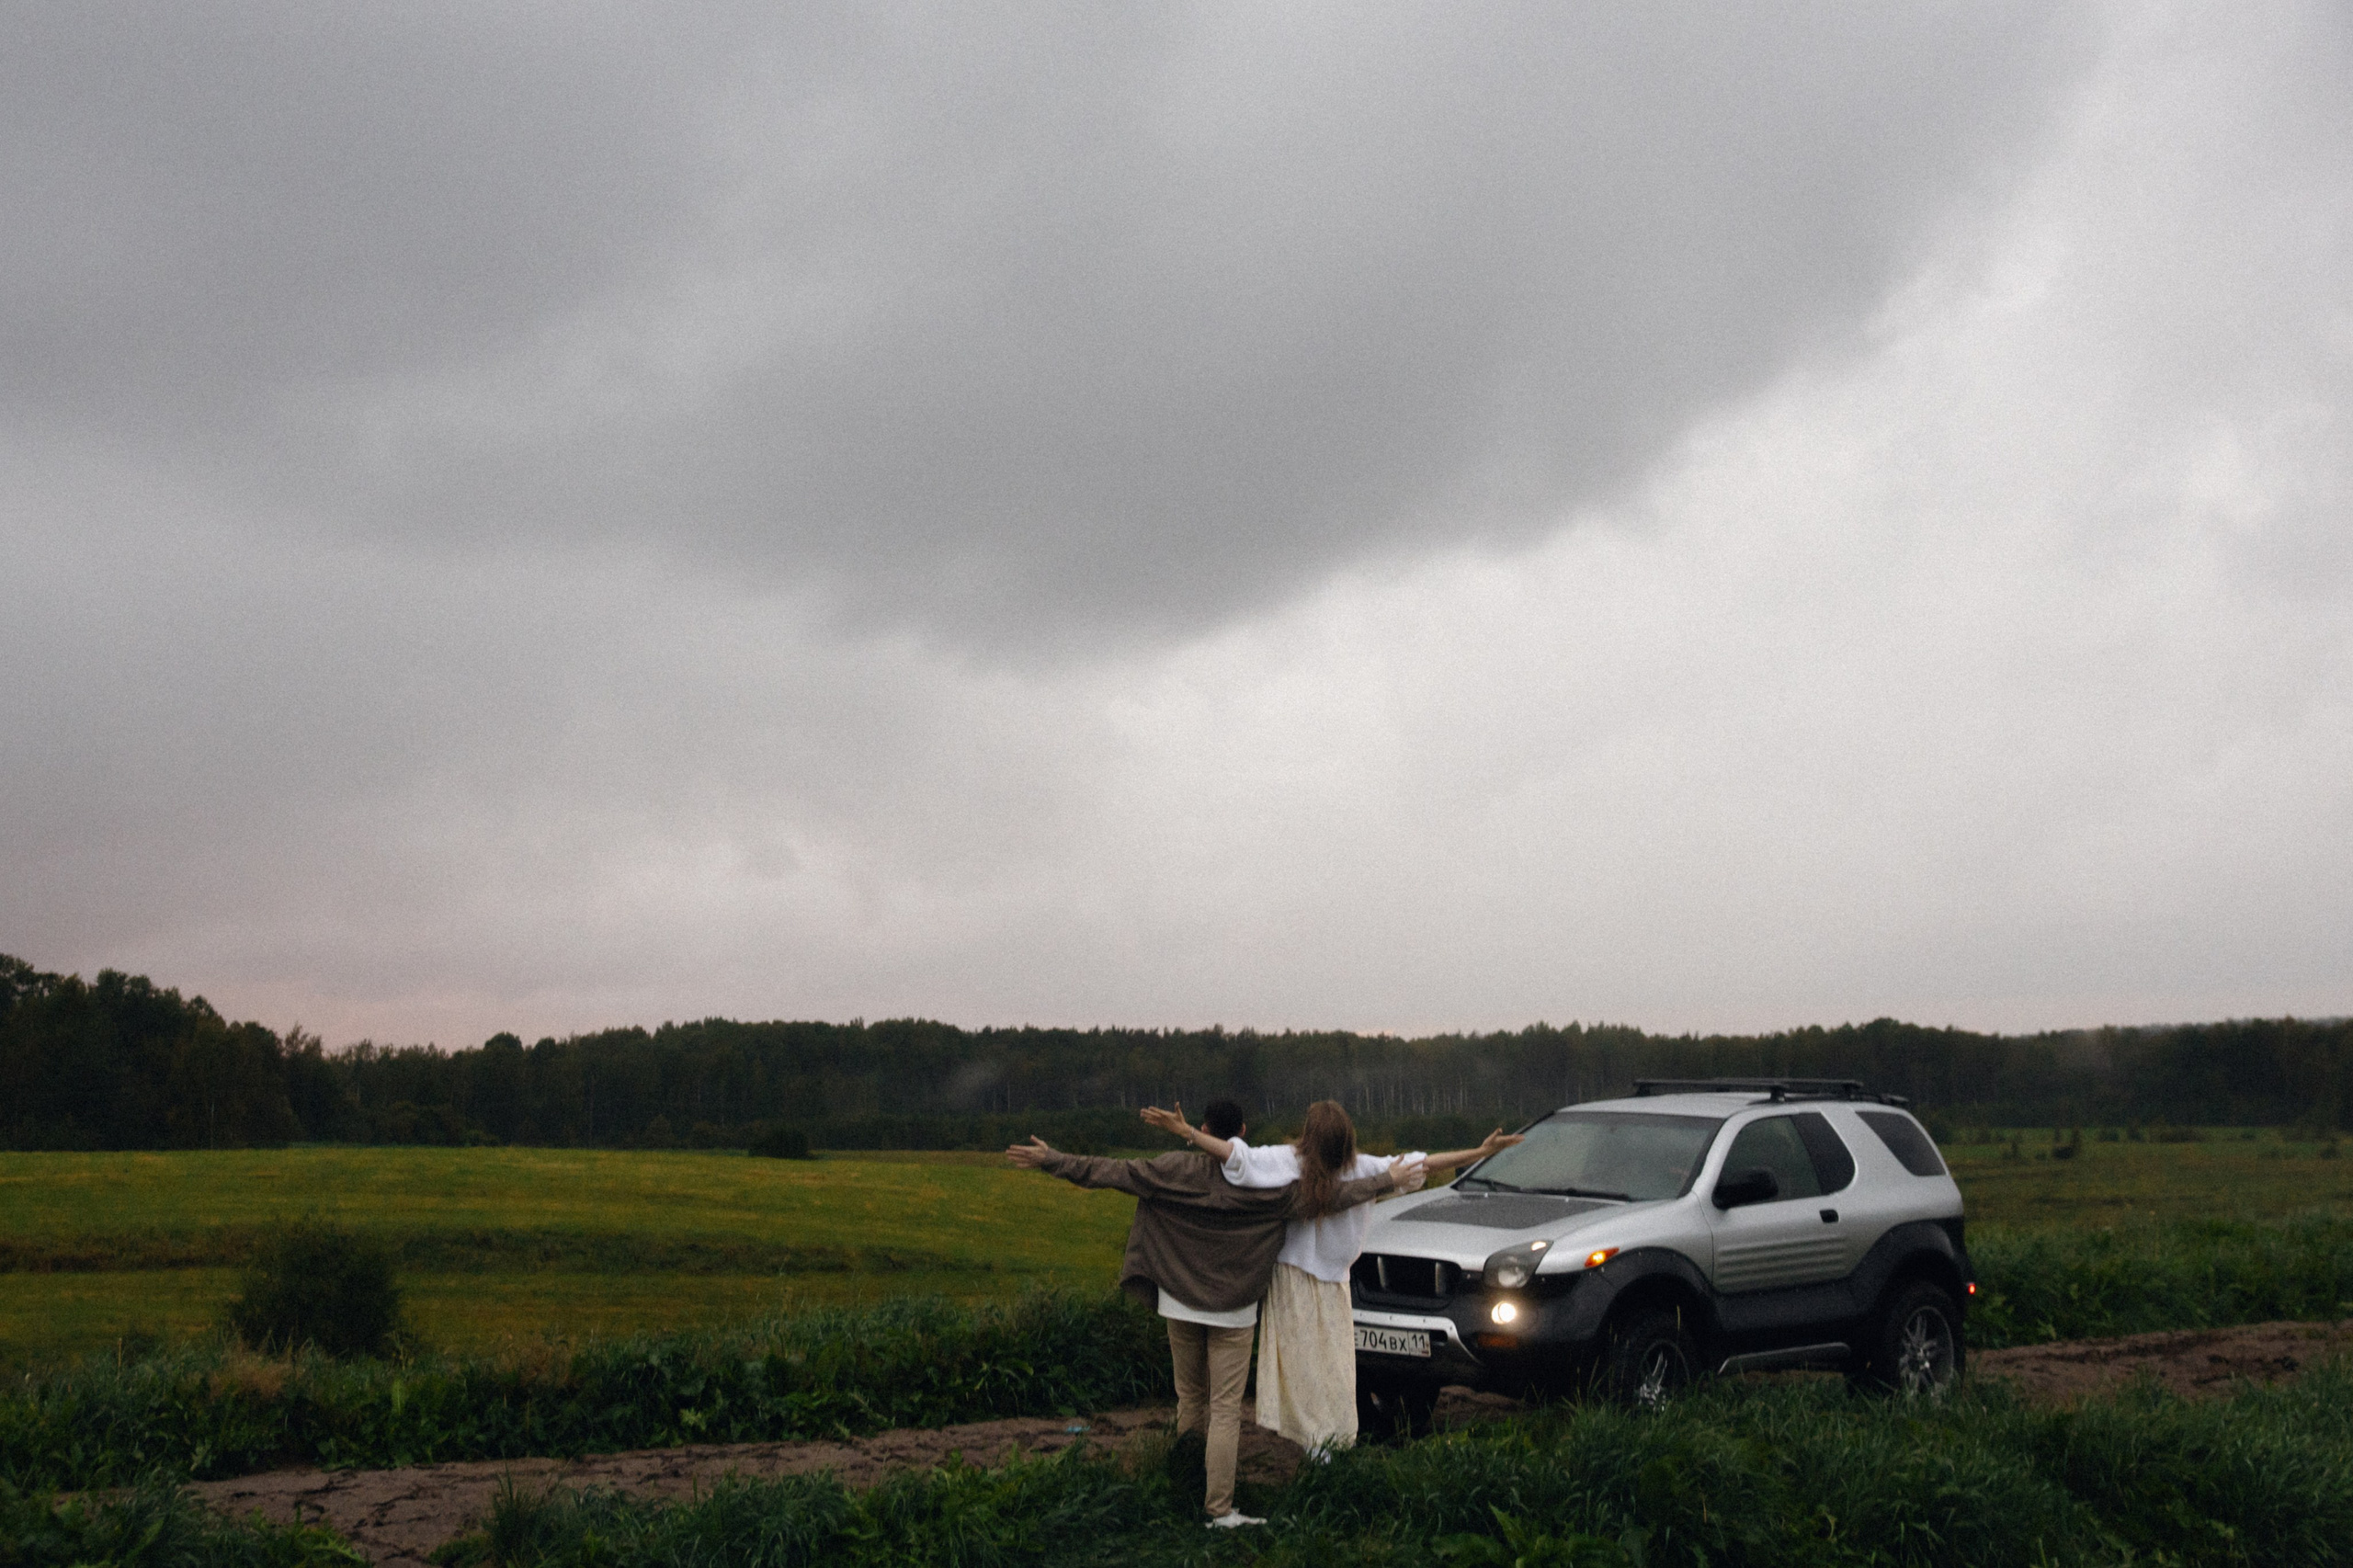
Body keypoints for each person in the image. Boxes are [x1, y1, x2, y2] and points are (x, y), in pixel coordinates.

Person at [1006, 1109, 1422, 1528]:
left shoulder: (1172, 1169)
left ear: (1204, 1132)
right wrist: (1389, 1180)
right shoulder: (1272, 1189)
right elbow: (1334, 1197)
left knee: (1190, 1399)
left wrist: (1051, 1159)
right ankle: (1218, 1509)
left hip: (1178, 1302)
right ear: (1241, 1134)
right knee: (1224, 1410)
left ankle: (1183, 1485)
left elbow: (1108, 1172)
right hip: (1233, 1310)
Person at [1140, 1099, 1521, 1453]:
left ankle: (1318, 1443)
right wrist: (1480, 1152)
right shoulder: (1361, 1166)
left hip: (1296, 1282)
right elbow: (1425, 1163)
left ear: (1309, 1135)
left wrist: (1187, 1132)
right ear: (1346, 1138)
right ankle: (1323, 1445)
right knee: (1331, 1370)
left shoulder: (1292, 1160)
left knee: (1306, 1370)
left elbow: (1234, 1154)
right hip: (1325, 1284)